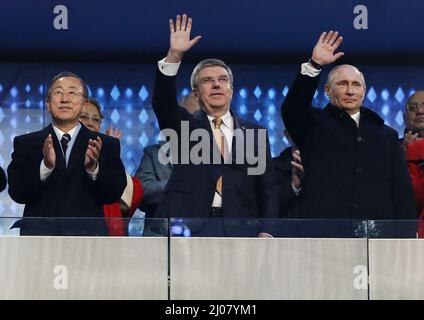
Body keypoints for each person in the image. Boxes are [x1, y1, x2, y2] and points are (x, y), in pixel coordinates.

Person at [151, 14, 277, 237]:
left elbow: (267, 187)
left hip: (240, 228)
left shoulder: (255, 133)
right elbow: (162, 103)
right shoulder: (185, 127)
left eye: (223, 80)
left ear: (231, 91)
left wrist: (267, 230)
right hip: (188, 228)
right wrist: (174, 56)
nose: (217, 84)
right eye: (208, 81)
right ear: (196, 95)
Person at [281, 31, 416, 237]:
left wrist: (405, 240)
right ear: (327, 90)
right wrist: (314, 65)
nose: (350, 91)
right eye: (342, 84)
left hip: (376, 239)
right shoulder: (312, 125)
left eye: (356, 85)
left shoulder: (385, 134)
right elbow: (293, 109)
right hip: (324, 238)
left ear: (364, 91)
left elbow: (402, 193)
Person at [7, 72, 127, 236]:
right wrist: (46, 167)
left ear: (84, 104)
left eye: (72, 92)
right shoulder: (26, 144)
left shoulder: (106, 145)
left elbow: (112, 194)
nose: (65, 99)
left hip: (88, 241)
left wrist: (93, 168)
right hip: (39, 240)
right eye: (58, 92)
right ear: (48, 104)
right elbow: (17, 193)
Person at [79, 97, 143, 236]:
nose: (90, 123)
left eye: (96, 119)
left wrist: (110, 153)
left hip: (105, 236)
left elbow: (131, 198)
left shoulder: (106, 153)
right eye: (84, 117)